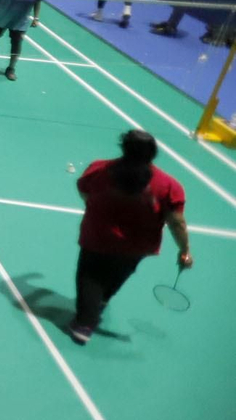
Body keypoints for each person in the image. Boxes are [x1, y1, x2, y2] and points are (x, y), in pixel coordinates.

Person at [69, 130, 192, 346]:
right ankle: (102, 301)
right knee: (118, 273)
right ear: (153, 153)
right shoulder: (169, 186)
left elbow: (84, 192)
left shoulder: (100, 168)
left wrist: (96, 206)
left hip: (97, 238)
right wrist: (184, 250)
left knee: (90, 278)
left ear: (123, 148)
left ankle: (84, 324)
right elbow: (176, 223)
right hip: (137, 247)